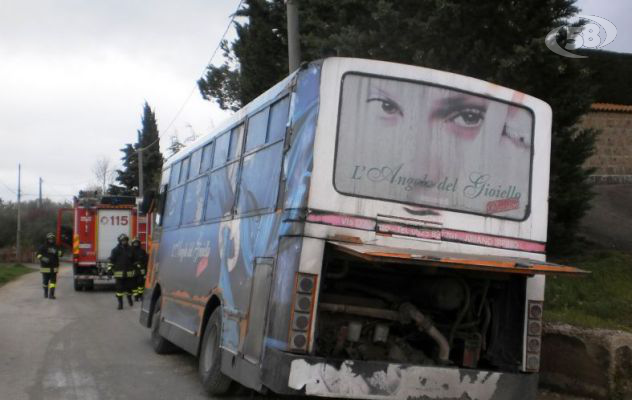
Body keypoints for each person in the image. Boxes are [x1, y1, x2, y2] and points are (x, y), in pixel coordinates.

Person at [107, 233, 136, 310]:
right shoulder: (115, 250)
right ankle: (120, 304)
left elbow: (135, 261)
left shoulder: (131, 249)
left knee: (130, 289)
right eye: (123, 240)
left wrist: (136, 269)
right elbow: (111, 260)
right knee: (119, 290)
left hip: (129, 274)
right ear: (119, 241)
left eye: (125, 240)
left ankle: (129, 298)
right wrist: (109, 269)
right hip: (119, 274)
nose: (124, 242)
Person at [36, 233, 63, 299]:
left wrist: (56, 252)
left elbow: (61, 254)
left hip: (54, 267)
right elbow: (37, 255)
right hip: (45, 267)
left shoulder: (56, 246)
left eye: (52, 239)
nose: (51, 240)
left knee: (53, 282)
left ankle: (51, 295)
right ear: (47, 239)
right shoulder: (43, 247)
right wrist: (43, 258)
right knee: (45, 282)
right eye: (50, 239)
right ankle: (45, 292)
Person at [131, 237, 148, 302]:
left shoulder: (142, 251)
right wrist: (134, 264)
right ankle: (136, 296)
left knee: (141, 284)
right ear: (132, 243)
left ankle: (140, 295)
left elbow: (146, 260)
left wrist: (143, 266)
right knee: (134, 284)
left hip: (141, 270)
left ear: (139, 243)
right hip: (133, 270)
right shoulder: (130, 251)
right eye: (134, 243)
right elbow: (128, 260)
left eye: (137, 242)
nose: (136, 244)